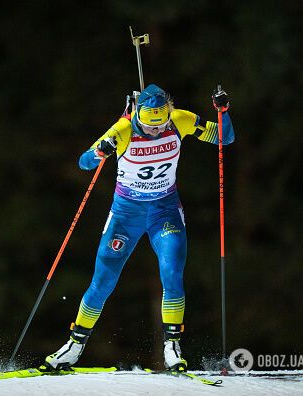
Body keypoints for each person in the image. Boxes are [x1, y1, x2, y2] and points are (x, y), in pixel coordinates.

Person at [44, 84, 235, 371]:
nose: (156, 132)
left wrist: (223, 112)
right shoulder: (122, 130)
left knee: (171, 272)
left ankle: (172, 346)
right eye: (148, 126)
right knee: (103, 281)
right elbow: (84, 162)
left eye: (161, 126)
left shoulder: (180, 119)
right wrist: (101, 151)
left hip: (164, 211)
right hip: (126, 214)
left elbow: (224, 137)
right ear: (138, 116)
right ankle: (74, 345)